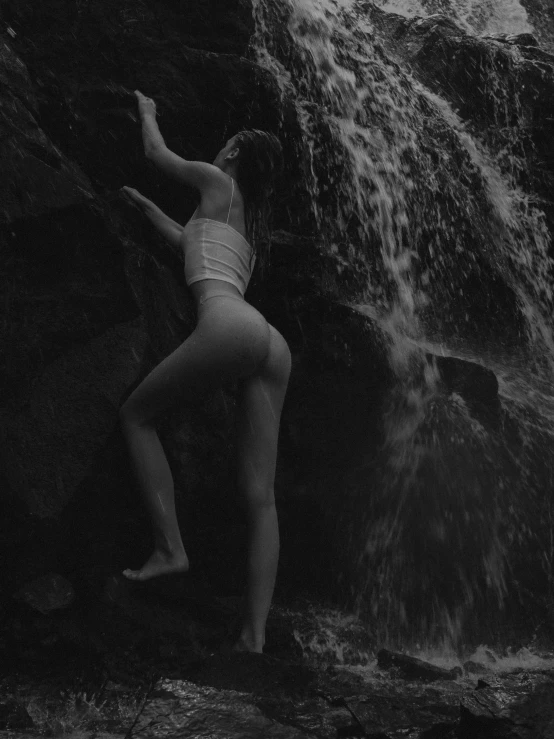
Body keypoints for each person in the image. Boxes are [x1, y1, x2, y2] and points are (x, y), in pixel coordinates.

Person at [118, 90, 291, 654]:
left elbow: (157, 153)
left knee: (136, 415)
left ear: (236, 148)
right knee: (259, 497)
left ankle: (170, 547)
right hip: (268, 342)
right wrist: (144, 208)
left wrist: (148, 109)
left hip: (229, 327)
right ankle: (255, 635)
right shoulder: (244, 229)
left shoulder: (219, 183)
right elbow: (187, 242)